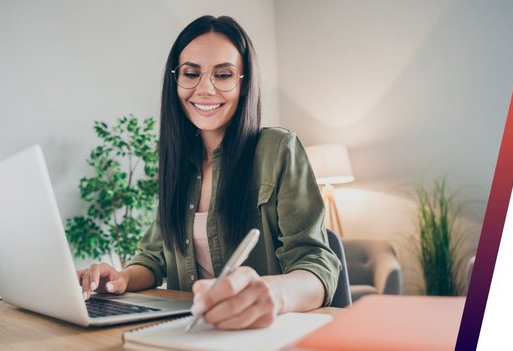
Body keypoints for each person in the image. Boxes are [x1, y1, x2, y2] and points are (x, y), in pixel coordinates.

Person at [77, 15, 340, 330]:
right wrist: (121, 278)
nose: (205, 88)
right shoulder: (176, 161)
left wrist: (274, 293)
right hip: (189, 331)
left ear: (244, 84)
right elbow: (153, 258)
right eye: (191, 73)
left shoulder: (278, 149)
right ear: (176, 81)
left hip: (261, 334)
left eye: (223, 74)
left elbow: (316, 264)